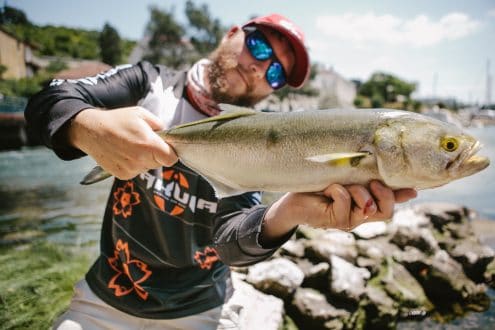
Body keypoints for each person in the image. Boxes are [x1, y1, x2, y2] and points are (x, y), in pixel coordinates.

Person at [25, 13, 417, 330]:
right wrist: (87, 126)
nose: (260, 68)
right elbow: (50, 98)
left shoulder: (262, 142)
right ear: (232, 34)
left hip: (201, 312)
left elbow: (230, 244)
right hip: (103, 302)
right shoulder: (151, 84)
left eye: (276, 73)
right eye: (260, 46)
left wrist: (292, 211)